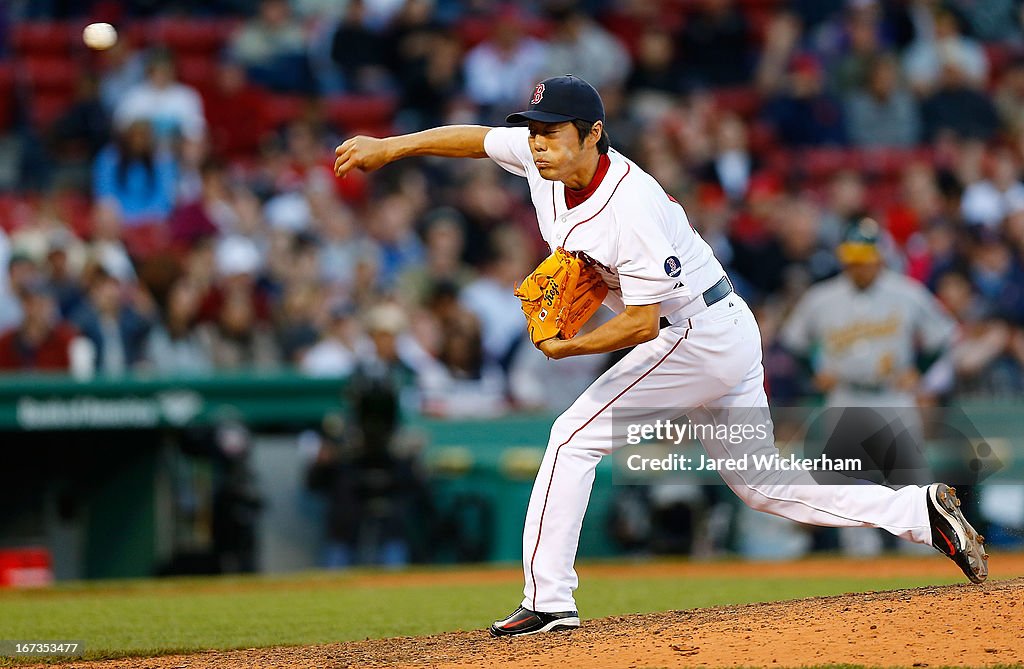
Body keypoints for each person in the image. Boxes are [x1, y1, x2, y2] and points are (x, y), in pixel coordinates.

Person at [333, 74, 989, 637]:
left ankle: (548, 601)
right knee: (760, 484)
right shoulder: (542, 158)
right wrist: (392, 146)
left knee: (571, 437)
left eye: (553, 130)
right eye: (534, 129)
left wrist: (573, 345)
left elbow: (643, 323)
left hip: (691, 330)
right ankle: (918, 511)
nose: (538, 140)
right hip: (720, 327)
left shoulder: (632, 205)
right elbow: (476, 138)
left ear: (593, 134)